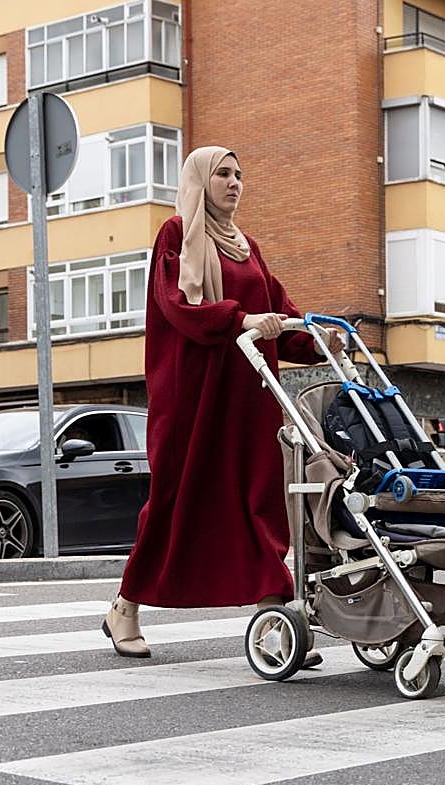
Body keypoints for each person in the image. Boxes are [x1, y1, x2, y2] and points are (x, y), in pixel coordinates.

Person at [102, 146, 344, 660]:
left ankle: (277, 619)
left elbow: (277, 311)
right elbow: (178, 306)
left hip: (249, 394)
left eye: (239, 174)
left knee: (260, 500)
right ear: (199, 181)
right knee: (174, 502)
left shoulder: (248, 246)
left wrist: (318, 339)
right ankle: (125, 606)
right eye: (223, 174)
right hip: (192, 397)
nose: (235, 183)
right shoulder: (177, 234)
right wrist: (240, 320)